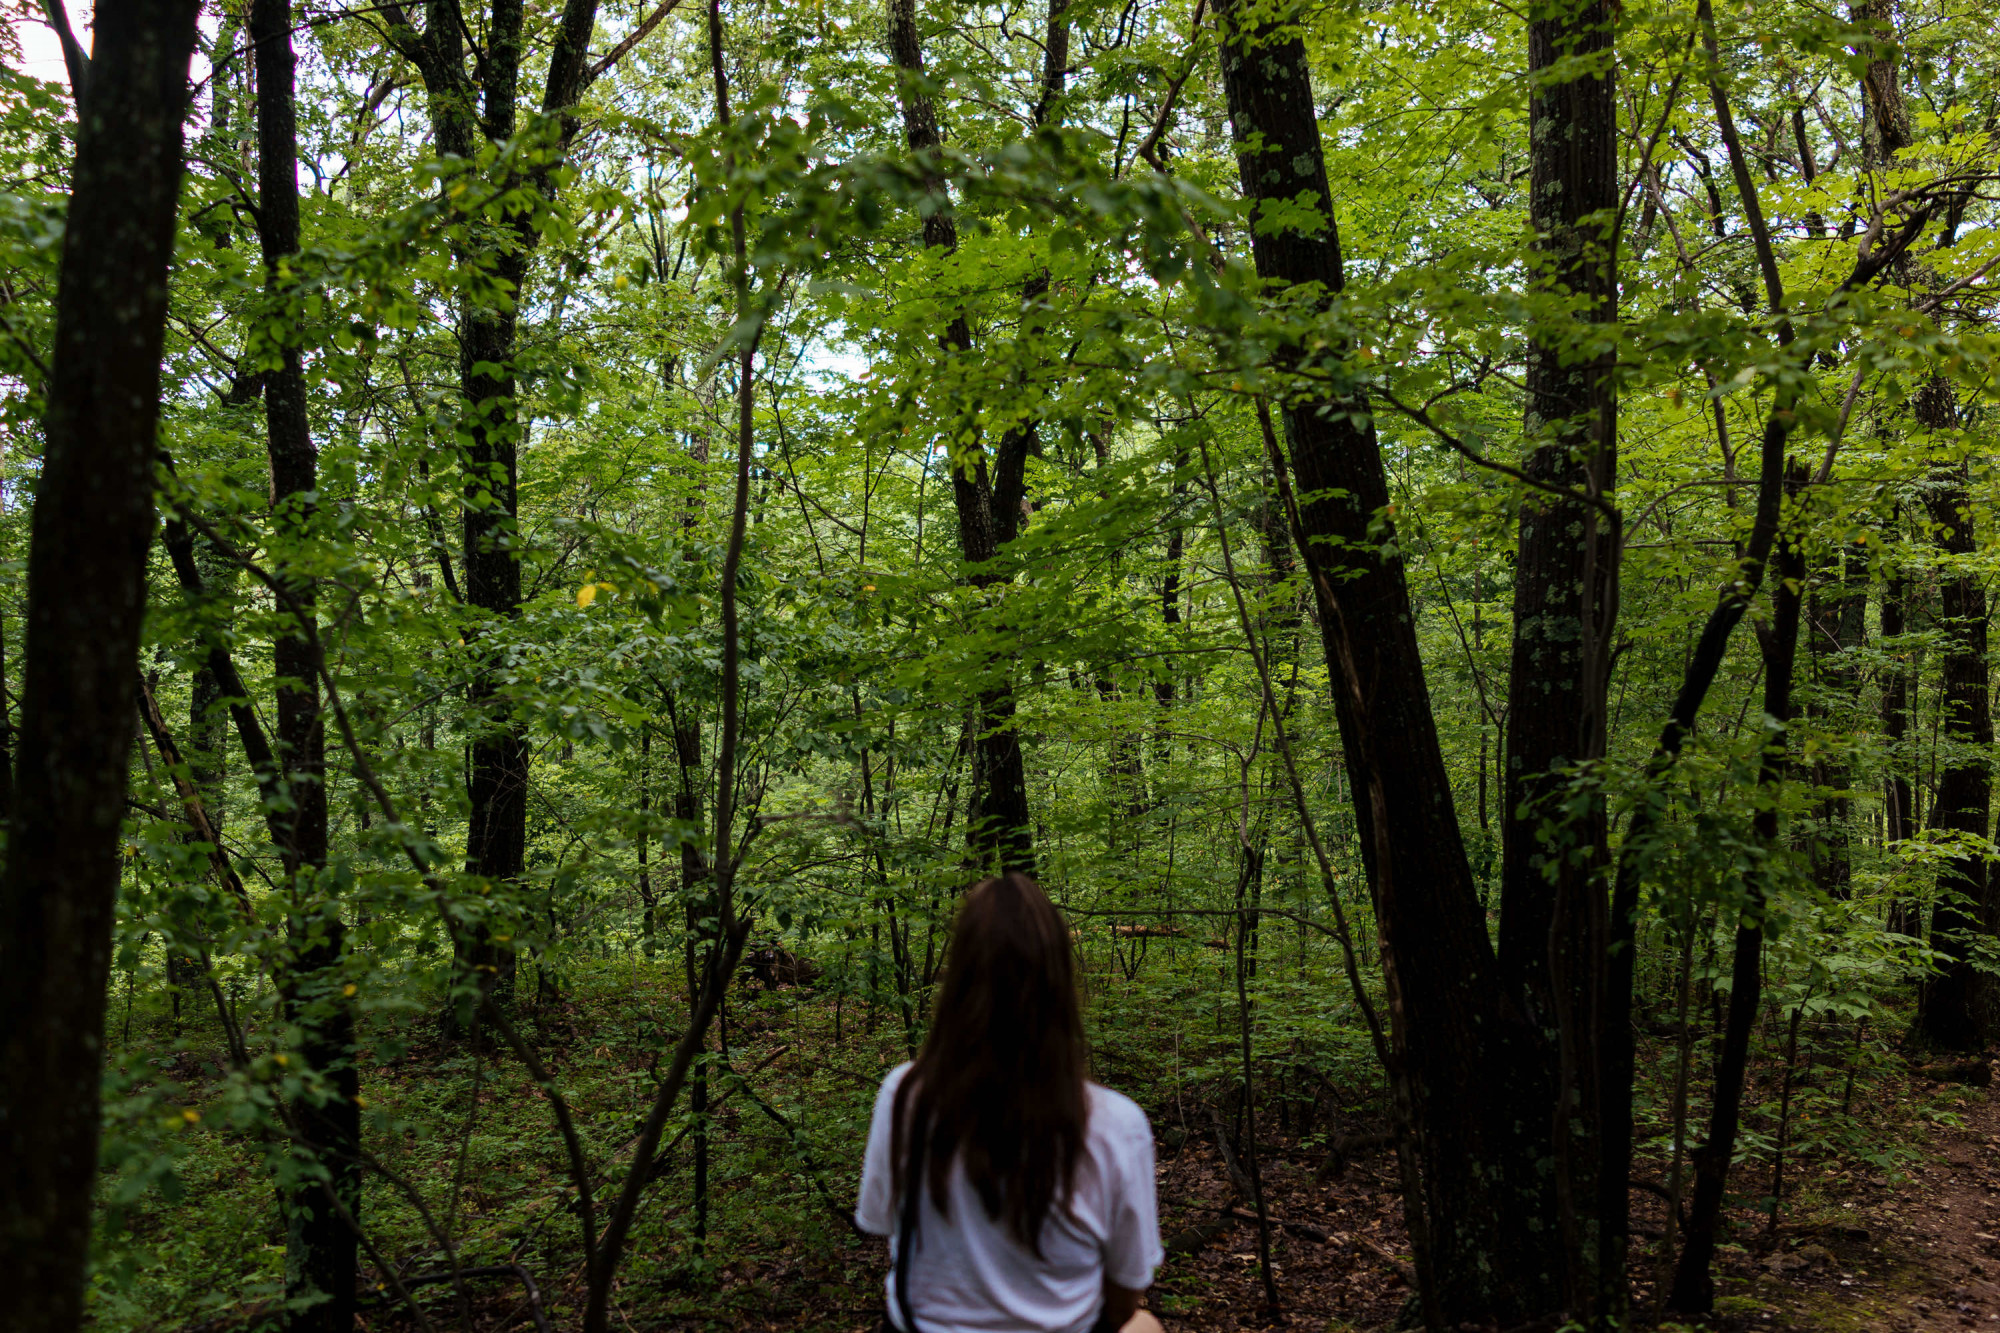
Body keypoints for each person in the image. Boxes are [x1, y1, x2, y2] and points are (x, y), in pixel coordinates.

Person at [856, 873, 1165, 1333]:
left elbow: (881, 1222)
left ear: (958, 981)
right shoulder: (1117, 1124)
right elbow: (1124, 1294)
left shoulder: (905, 1094)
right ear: (1060, 985)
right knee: (1145, 1326)